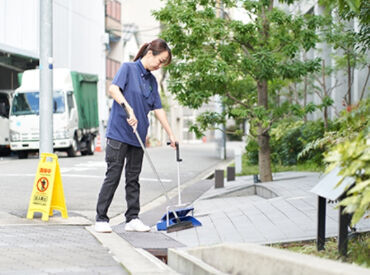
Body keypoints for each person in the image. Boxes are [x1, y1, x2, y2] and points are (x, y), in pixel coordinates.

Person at [95, 39, 177, 233]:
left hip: (138, 136)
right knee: (113, 175)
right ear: (150, 54)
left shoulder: (151, 81)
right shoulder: (128, 68)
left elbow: (158, 108)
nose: (160, 66)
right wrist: (128, 107)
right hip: (118, 133)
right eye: (160, 61)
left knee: (133, 178)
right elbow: (113, 89)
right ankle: (101, 218)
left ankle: (132, 218)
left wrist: (171, 134)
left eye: (163, 63)